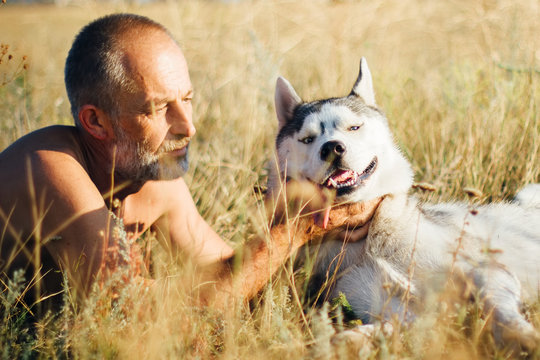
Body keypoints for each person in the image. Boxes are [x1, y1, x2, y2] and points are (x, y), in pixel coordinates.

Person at [0, 14, 379, 314]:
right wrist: (294, 233)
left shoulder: (150, 177)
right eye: (160, 108)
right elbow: (133, 313)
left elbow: (226, 278)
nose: (188, 126)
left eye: (187, 98)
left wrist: (286, 217)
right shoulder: (49, 167)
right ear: (96, 122)